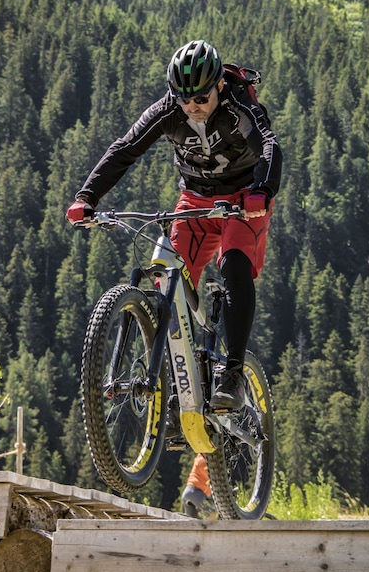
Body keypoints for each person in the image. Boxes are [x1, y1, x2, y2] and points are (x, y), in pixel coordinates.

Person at [66, 39, 282, 413]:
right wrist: (87, 197)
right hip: (196, 201)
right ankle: (173, 386)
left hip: (245, 200)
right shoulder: (169, 111)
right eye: (183, 99)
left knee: (234, 265)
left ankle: (232, 374)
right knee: (166, 277)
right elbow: (125, 149)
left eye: (200, 98)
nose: (191, 107)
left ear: (218, 86)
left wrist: (262, 190)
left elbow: (268, 144)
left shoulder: (239, 106)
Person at [181, 454, 213, 518]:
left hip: (189, 493)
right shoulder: (203, 461)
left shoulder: (200, 458)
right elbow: (213, 480)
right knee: (212, 512)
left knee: (193, 523)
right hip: (195, 491)